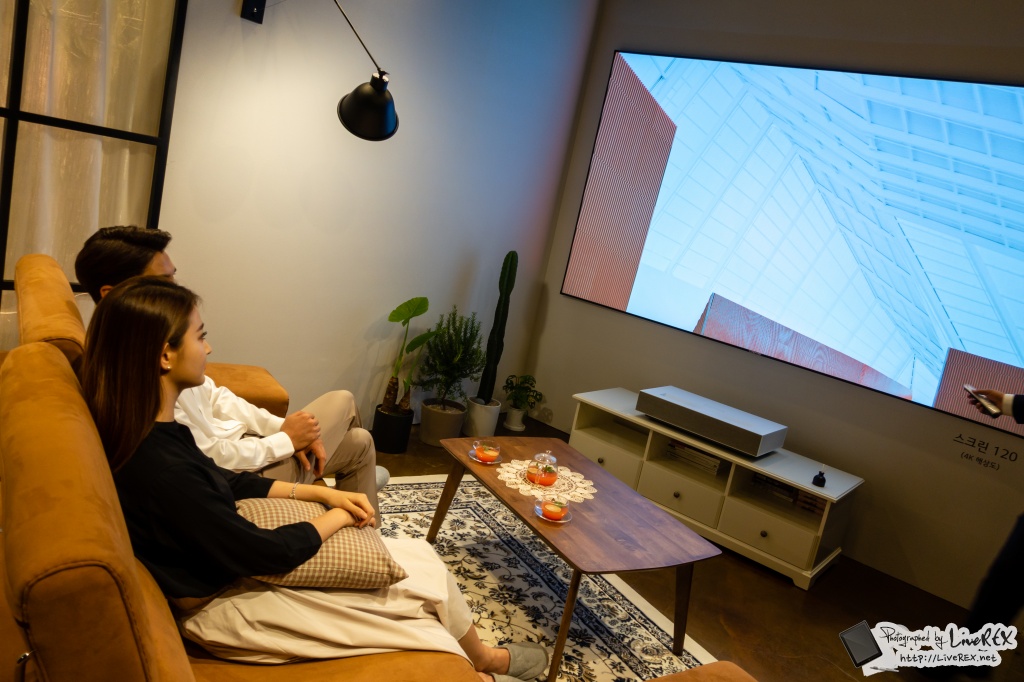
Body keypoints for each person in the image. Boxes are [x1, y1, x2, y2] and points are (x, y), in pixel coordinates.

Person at [80, 277, 548, 682]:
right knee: (418, 599)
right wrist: (336, 517)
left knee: (420, 559)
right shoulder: (164, 470)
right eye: (200, 337)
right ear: (164, 355)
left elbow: (225, 481)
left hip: (232, 573)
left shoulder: (156, 431)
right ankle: (483, 665)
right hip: (226, 606)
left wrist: (316, 493)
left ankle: (482, 658)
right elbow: (268, 552)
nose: (209, 349)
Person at [75, 226, 387, 517]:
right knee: (343, 401)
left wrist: (284, 428)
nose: (176, 290)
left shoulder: (155, 344)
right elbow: (206, 458)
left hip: (247, 449)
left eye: (173, 278)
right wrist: (286, 441)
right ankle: (339, 488)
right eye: (162, 282)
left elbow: (215, 396)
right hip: (236, 477)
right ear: (111, 293)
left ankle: (369, 534)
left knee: (359, 442)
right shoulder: (134, 371)